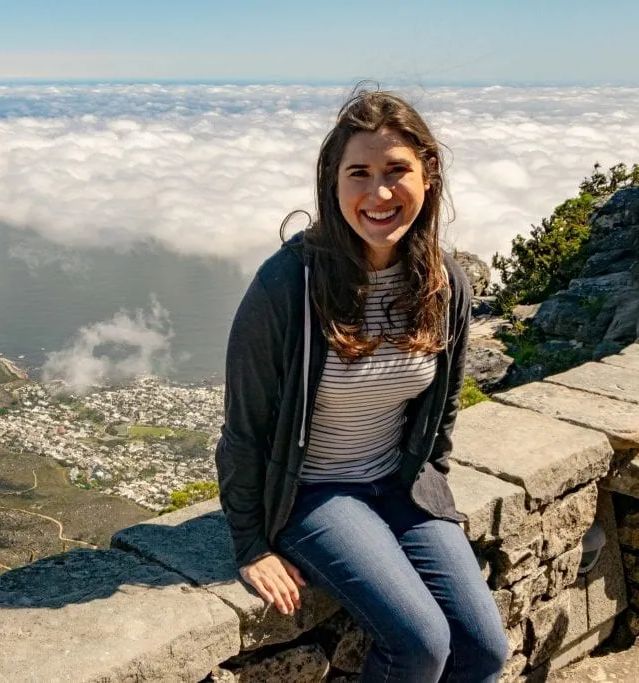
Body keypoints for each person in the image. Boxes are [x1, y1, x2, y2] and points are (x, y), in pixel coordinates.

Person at [214, 87, 508, 682]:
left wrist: (430, 486)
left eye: (396, 171)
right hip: (315, 493)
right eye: (359, 173)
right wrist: (251, 544)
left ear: (427, 177)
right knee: (420, 644)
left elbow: (441, 408)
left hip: (401, 488)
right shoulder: (286, 286)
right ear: (333, 182)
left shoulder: (443, 281)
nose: (379, 194)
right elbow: (244, 428)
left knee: (484, 651)